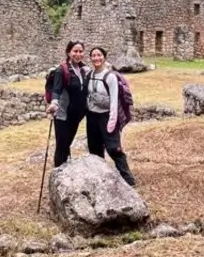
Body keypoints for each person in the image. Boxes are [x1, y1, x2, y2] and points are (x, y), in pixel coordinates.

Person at [85, 46, 137, 186]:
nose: (96, 58)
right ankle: (100, 175)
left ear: (104, 57)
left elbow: (114, 100)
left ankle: (128, 179)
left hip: (106, 116)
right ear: (90, 58)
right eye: (94, 56)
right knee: (94, 148)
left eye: (99, 55)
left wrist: (112, 120)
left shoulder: (110, 77)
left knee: (114, 148)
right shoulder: (89, 75)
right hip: (92, 116)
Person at [46, 41, 88, 167]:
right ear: (69, 52)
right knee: (62, 147)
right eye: (75, 51)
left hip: (75, 116)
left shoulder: (83, 69)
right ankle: (59, 174)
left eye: (80, 51)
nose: (78, 54)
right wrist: (54, 103)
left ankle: (66, 170)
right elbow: (56, 90)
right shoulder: (61, 70)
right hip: (63, 115)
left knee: (67, 144)